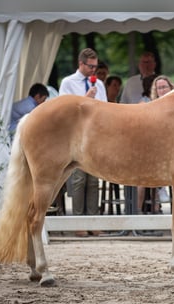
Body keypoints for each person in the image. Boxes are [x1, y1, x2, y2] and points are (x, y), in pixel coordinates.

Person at [59, 48, 108, 237]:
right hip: (77, 137)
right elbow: (64, 110)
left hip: (96, 136)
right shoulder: (68, 83)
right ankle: (78, 222)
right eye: (91, 66)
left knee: (94, 180)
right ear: (81, 64)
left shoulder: (100, 85)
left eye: (96, 66)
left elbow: (106, 108)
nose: (94, 70)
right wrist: (85, 100)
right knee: (78, 179)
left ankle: (93, 222)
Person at [137, 75, 173, 214]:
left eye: (164, 87)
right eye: (159, 88)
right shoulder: (150, 105)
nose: (162, 90)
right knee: (141, 177)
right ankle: (138, 212)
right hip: (152, 148)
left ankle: (157, 202)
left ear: (170, 87)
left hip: (170, 149)